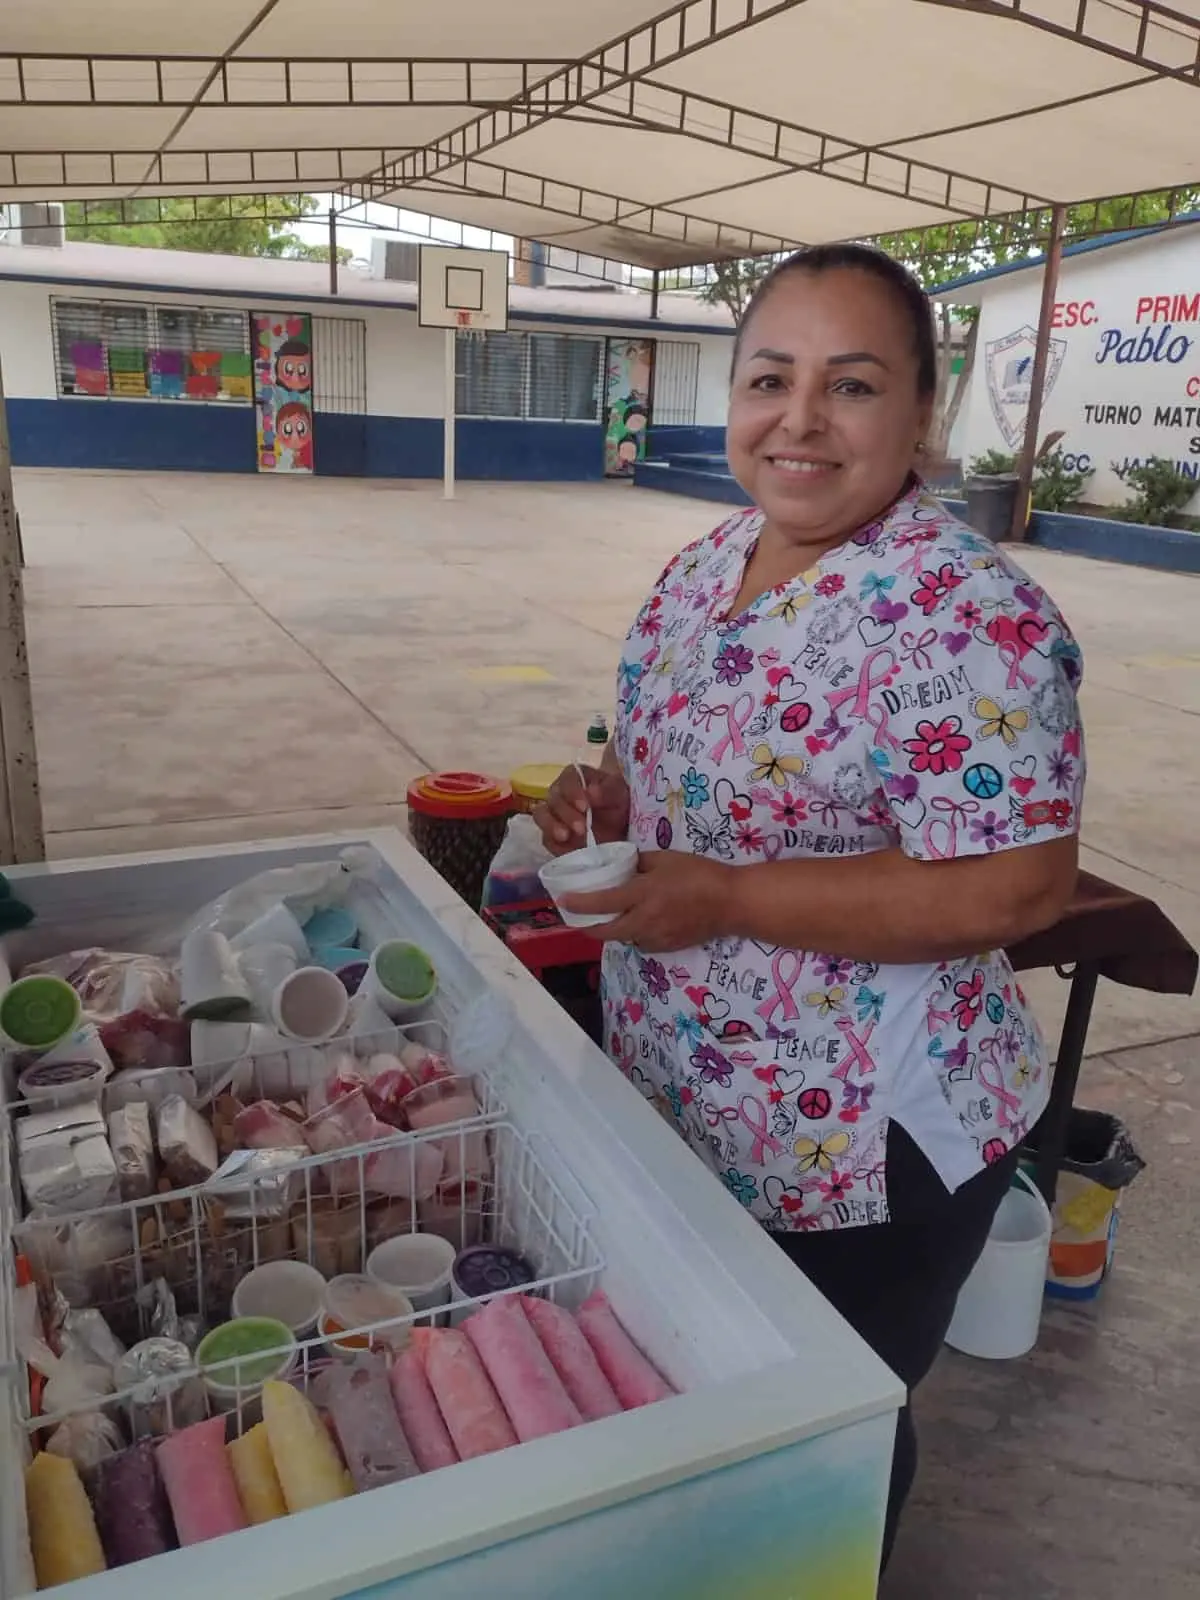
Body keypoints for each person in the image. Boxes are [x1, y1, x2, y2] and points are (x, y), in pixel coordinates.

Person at [535, 243, 1085, 1566]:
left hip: (861, 1139)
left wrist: (726, 895)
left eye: (851, 384)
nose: (800, 419)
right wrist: (609, 803)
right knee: (710, 1403)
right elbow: (685, 766)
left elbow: (1018, 882)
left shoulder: (965, 613)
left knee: (826, 1439)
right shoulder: (705, 567)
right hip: (689, 1087)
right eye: (770, 379)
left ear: (920, 413)